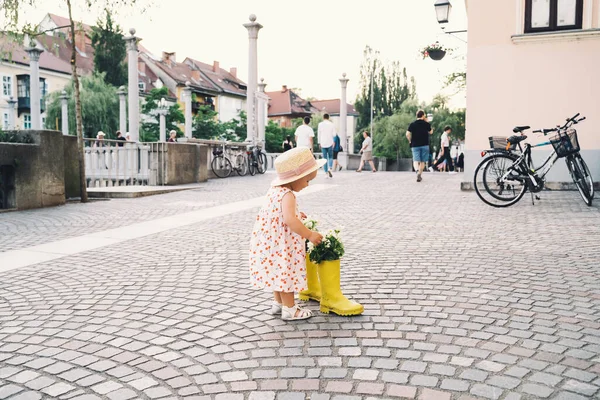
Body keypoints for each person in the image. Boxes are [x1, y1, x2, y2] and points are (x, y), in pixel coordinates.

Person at [249, 147, 325, 321]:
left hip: (269, 241)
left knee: (277, 271)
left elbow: (280, 213)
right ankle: (290, 309)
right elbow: (290, 220)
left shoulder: (275, 190)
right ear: (296, 178)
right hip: (282, 243)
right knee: (286, 272)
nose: (308, 184)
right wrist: (310, 234)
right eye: (307, 180)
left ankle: (278, 302)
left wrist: (299, 215)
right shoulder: (288, 194)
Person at [406, 110, 432, 182]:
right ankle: (419, 174)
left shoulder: (412, 124)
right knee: (423, 161)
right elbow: (431, 132)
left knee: (415, 160)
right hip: (425, 144)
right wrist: (427, 122)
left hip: (415, 145)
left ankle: (417, 171)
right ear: (423, 115)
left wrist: (410, 140)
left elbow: (407, 134)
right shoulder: (426, 124)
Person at [318, 113, 336, 178]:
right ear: (328, 118)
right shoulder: (332, 124)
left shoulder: (320, 124)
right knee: (331, 156)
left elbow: (319, 134)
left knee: (324, 158)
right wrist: (334, 142)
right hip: (330, 142)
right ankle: (330, 168)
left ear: (323, 117)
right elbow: (334, 134)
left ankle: (326, 173)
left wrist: (319, 142)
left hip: (323, 143)